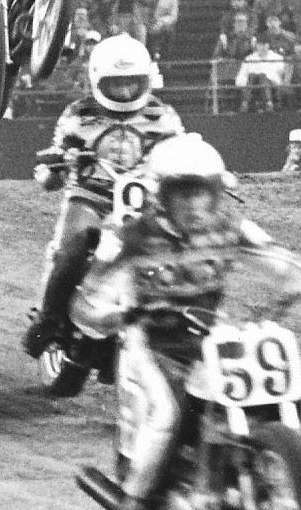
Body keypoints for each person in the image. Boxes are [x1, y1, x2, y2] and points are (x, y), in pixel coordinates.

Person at [68, 134, 301, 510]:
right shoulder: (132, 237)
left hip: (207, 333)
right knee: (167, 415)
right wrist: (112, 316)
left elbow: (278, 258)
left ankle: (262, 467)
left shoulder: (230, 227)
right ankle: (138, 503)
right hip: (151, 340)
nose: (194, 206)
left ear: (216, 193)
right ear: (162, 197)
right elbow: (87, 299)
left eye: (202, 194)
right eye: (182, 195)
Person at [22, 34, 184, 358]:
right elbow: (57, 155)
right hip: (91, 192)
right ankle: (49, 318)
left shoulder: (162, 115)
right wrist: (55, 165)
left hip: (144, 195)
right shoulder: (78, 114)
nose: (124, 92)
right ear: (98, 80)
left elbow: (181, 149)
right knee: (73, 241)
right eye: (116, 84)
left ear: (146, 80)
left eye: (131, 83)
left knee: (172, 243)